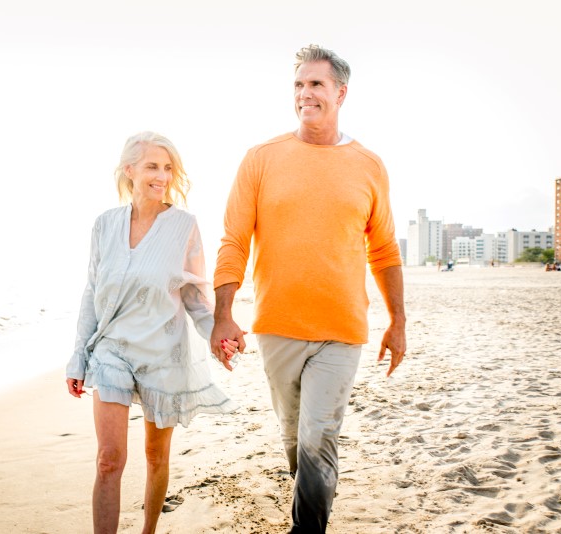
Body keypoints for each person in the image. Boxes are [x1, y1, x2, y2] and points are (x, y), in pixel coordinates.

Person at [210, 44, 407, 532]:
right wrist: (223, 313)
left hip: (342, 328)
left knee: (319, 435)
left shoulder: (369, 165)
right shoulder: (260, 159)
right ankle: (311, 508)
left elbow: (383, 251)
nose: (305, 94)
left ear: (341, 92)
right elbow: (234, 239)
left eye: (316, 84)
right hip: (278, 325)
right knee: (296, 439)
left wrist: (398, 320)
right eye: (298, 84)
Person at [65, 131, 238, 534]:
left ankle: (148, 531)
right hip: (111, 350)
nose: (161, 176)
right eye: (152, 166)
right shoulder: (105, 225)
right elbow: (92, 291)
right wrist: (79, 354)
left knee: (156, 455)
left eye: (167, 167)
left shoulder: (184, 227)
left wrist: (218, 335)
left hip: (163, 351)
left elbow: (196, 297)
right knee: (109, 458)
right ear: (130, 171)